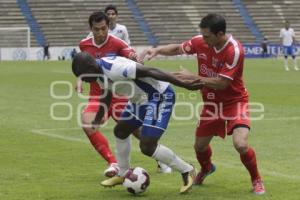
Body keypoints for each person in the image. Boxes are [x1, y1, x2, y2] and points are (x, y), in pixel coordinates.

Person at [140, 14, 265, 195]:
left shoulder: (234, 51)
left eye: (207, 36)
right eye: (203, 35)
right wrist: (157, 50)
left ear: (220, 34)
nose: (203, 40)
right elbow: (178, 48)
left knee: (241, 144)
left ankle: (256, 179)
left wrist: (194, 77)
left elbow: (223, 83)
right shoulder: (201, 41)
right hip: (211, 104)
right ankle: (206, 168)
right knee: (199, 147)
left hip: (235, 102)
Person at [72, 52, 199, 193]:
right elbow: (107, 94)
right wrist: (97, 119)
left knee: (147, 146)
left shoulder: (115, 68)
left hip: (158, 96)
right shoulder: (98, 70)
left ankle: (188, 170)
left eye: (83, 76)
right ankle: (123, 173)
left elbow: (151, 71)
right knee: (120, 131)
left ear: (90, 68)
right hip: (139, 101)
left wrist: (184, 84)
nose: (83, 80)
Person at [79, 11, 170, 178]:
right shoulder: (84, 45)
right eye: (96, 29)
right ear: (90, 28)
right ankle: (113, 163)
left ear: (108, 27)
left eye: (103, 29)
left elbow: (131, 56)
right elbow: (84, 67)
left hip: (120, 94)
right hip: (98, 94)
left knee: (136, 131)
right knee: (87, 123)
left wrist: (136, 59)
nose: (100, 33)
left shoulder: (117, 43)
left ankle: (160, 159)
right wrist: (79, 80)